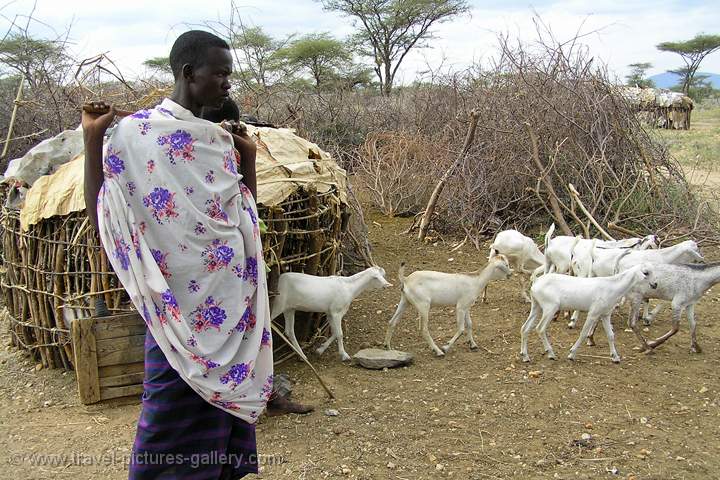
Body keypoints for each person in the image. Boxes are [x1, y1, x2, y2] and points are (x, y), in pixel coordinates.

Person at [82, 30, 272, 479]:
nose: (228, 82)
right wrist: (92, 142)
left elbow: (245, 218)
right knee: (167, 411)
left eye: (229, 73)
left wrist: (247, 162)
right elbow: (104, 216)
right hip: (175, 313)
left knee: (222, 417)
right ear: (189, 73)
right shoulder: (133, 135)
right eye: (220, 73)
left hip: (228, 305)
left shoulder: (219, 140)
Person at [200, 98, 314, 418]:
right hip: (206, 273)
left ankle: (262, 395)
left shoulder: (231, 155)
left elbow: (245, 205)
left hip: (234, 265)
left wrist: (245, 153)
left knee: (247, 334)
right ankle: (228, 403)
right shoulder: (188, 153)